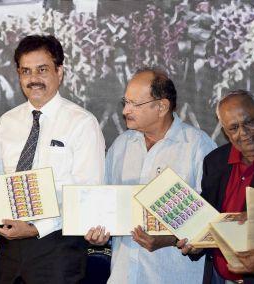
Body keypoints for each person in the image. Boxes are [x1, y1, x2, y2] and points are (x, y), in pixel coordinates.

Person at [0, 34, 105, 283]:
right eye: (26, 71)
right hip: (9, 248)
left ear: (60, 71)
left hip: (58, 248)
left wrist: (35, 229)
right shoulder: (6, 122)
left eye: (42, 70)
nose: (33, 79)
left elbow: (87, 194)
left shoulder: (82, 123)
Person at [84, 68, 216, 284]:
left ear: (162, 106)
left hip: (173, 276)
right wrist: (99, 235)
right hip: (123, 275)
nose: (126, 110)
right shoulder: (121, 146)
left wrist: (170, 239)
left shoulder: (197, 147)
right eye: (125, 102)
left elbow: (211, 224)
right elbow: (104, 205)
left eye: (135, 104)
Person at [179, 90, 254, 283]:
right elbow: (209, 220)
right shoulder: (215, 162)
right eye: (233, 128)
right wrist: (197, 241)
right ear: (225, 131)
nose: (243, 133)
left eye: (249, 122)